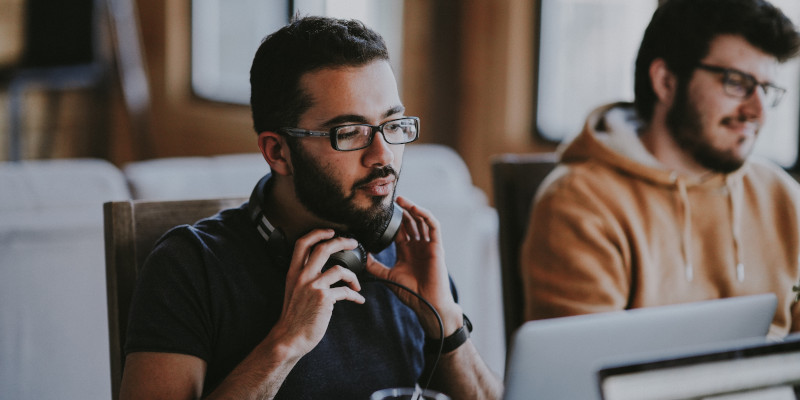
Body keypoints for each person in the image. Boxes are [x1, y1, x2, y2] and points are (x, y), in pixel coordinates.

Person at [119, 16, 503, 400]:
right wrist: (285, 345)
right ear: (278, 152)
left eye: (393, 124)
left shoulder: (406, 253)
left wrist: (445, 320)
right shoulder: (190, 266)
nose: (383, 155)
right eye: (350, 132)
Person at [521, 0, 800, 338]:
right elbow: (581, 379)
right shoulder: (580, 203)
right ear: (665, 81)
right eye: (736, 82)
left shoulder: (782, 195)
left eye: (766, 89)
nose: (758, 111)